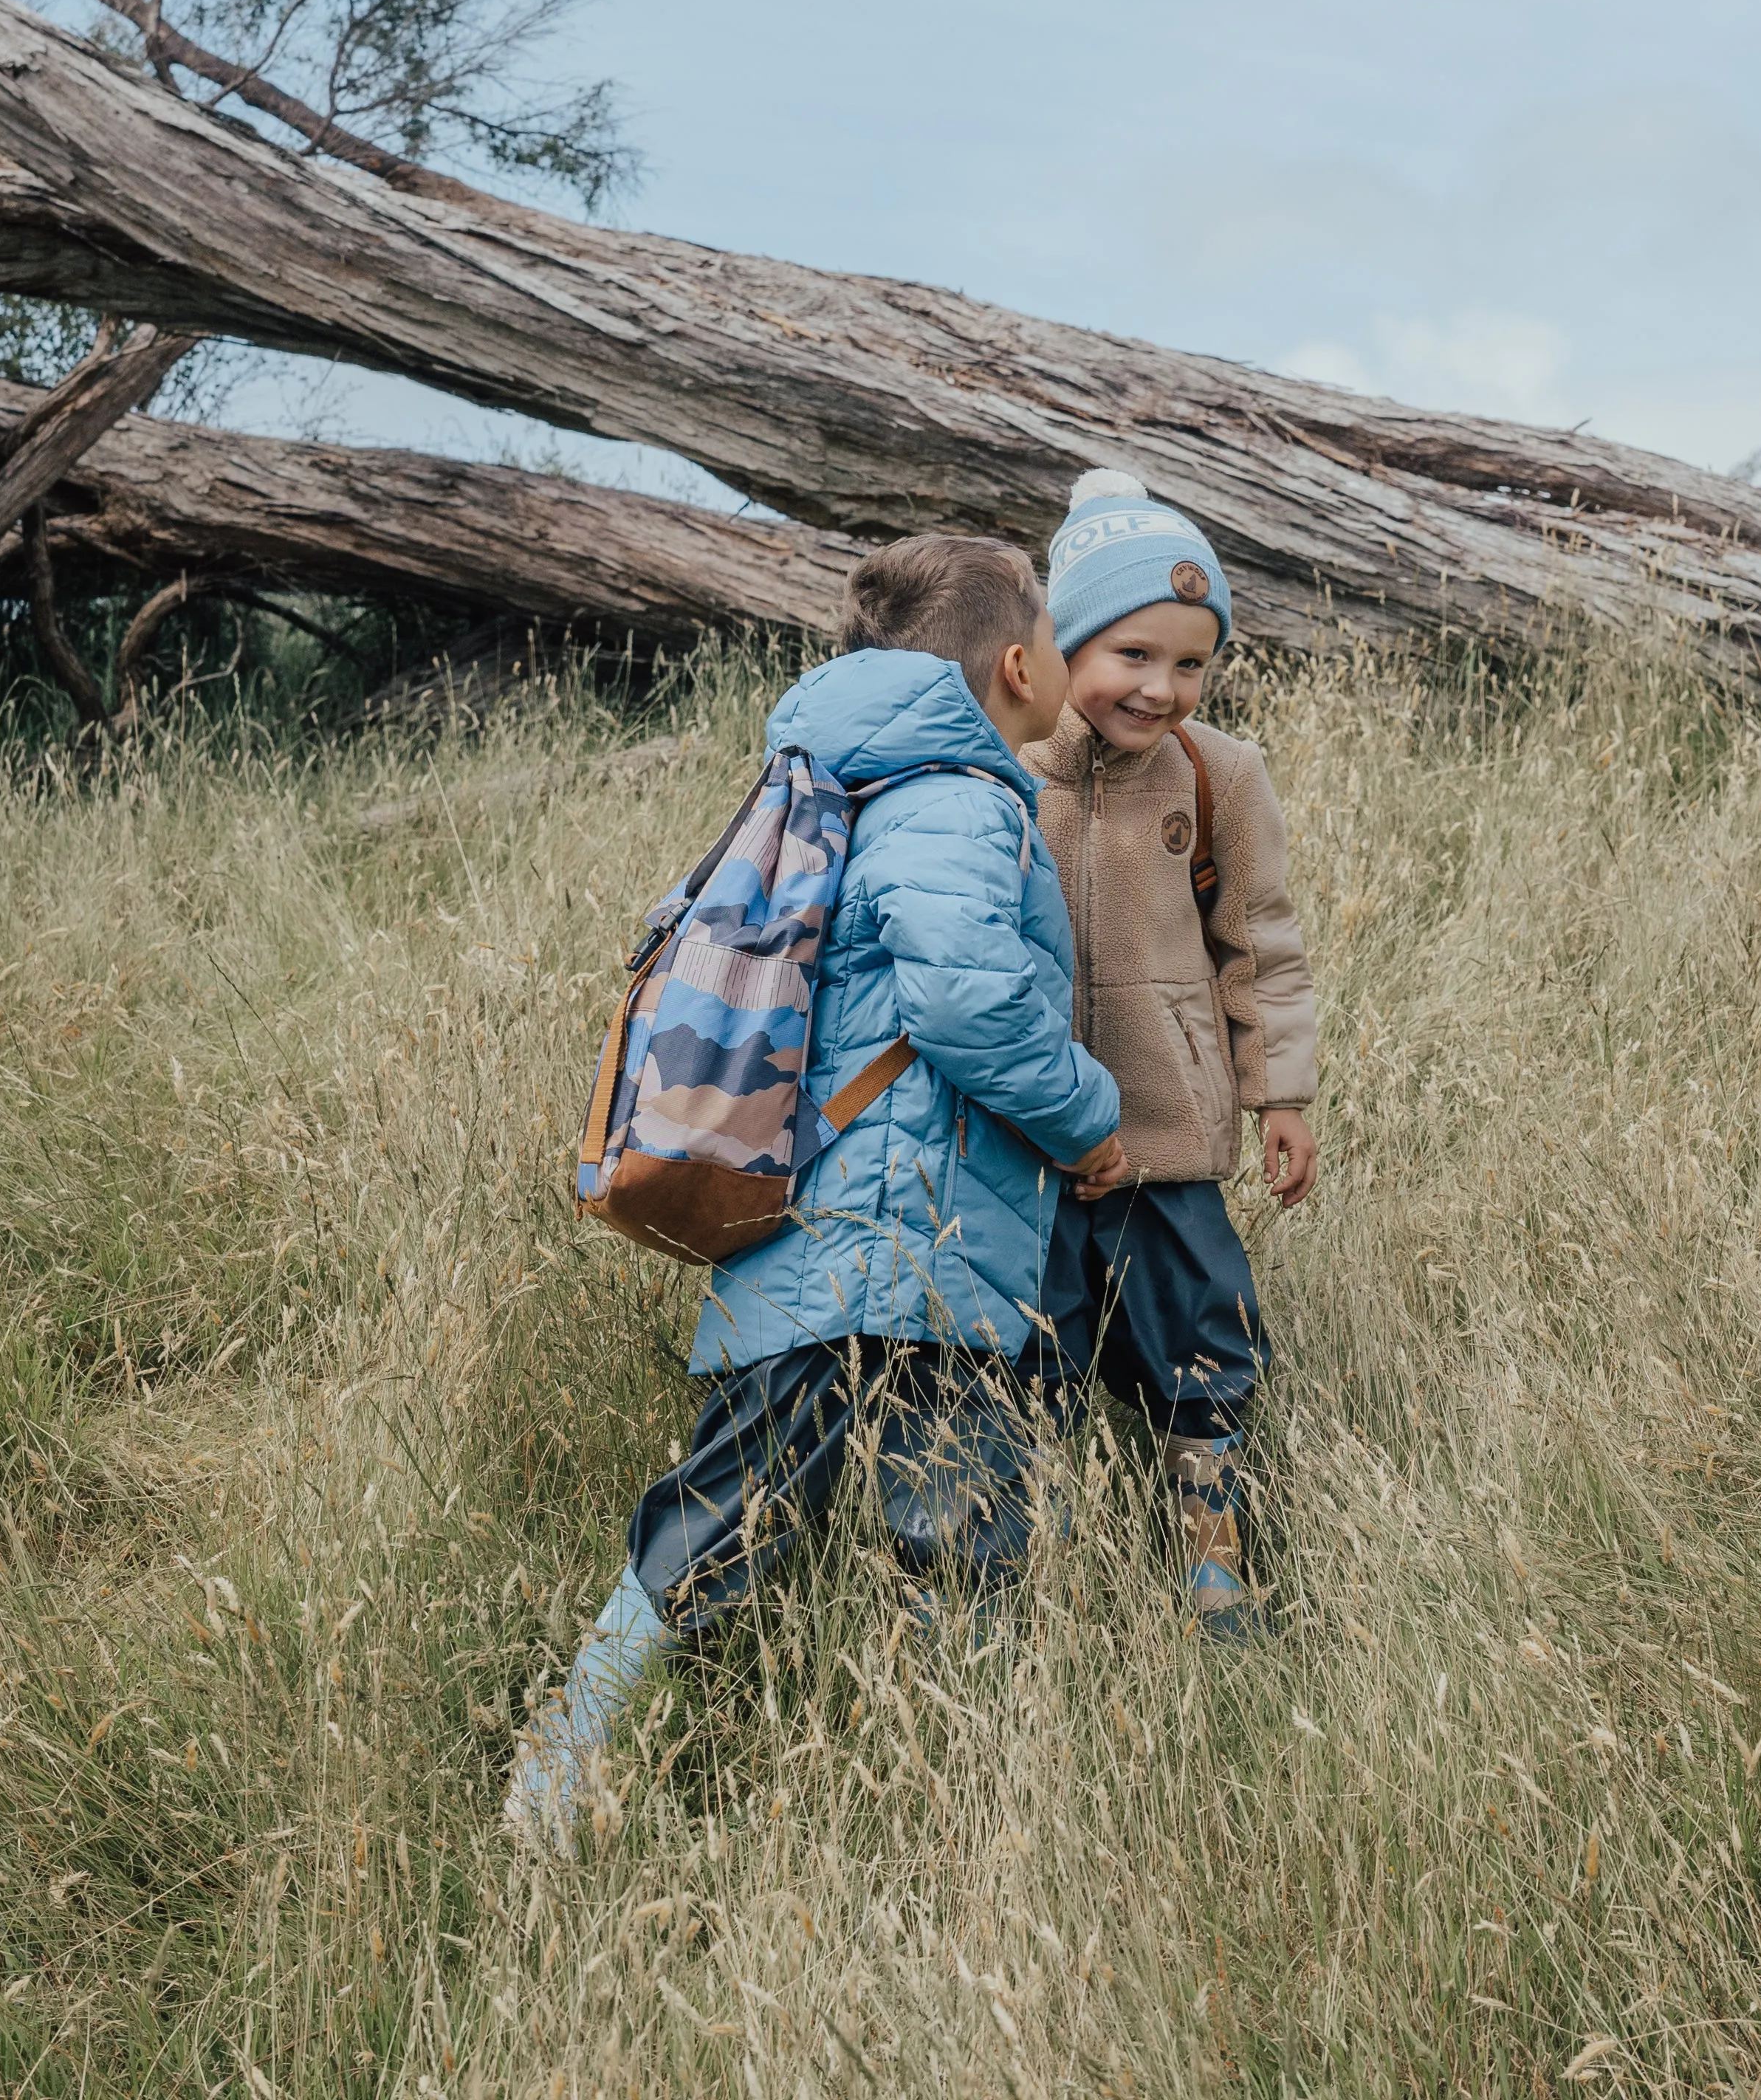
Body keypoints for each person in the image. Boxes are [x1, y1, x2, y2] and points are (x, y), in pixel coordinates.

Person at [507, 532, 1126, 1855]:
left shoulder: (829, 778)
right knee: (960, 1531)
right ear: (1019, 668)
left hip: (806, 1245)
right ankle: (969, 1810)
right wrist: (1088, 1115)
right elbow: (966, 1003)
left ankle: (562, 1776)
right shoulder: (960, 797)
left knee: (727, 1517)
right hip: (917, 1248)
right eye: (1065, 644)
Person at [1021, 469, 1320, 1634]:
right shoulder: (1007, 768)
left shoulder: (1219, 775)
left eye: (1191, 664)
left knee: (1203, 1333)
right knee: (1034, 1346)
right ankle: (1047, 1551)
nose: (1162, 688)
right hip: (1034, 1141)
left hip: (1171, 1133)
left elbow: (1262, 948)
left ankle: (1212, 1550)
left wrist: (1277, 1094)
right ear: (1062, 641)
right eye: (1132, 655)